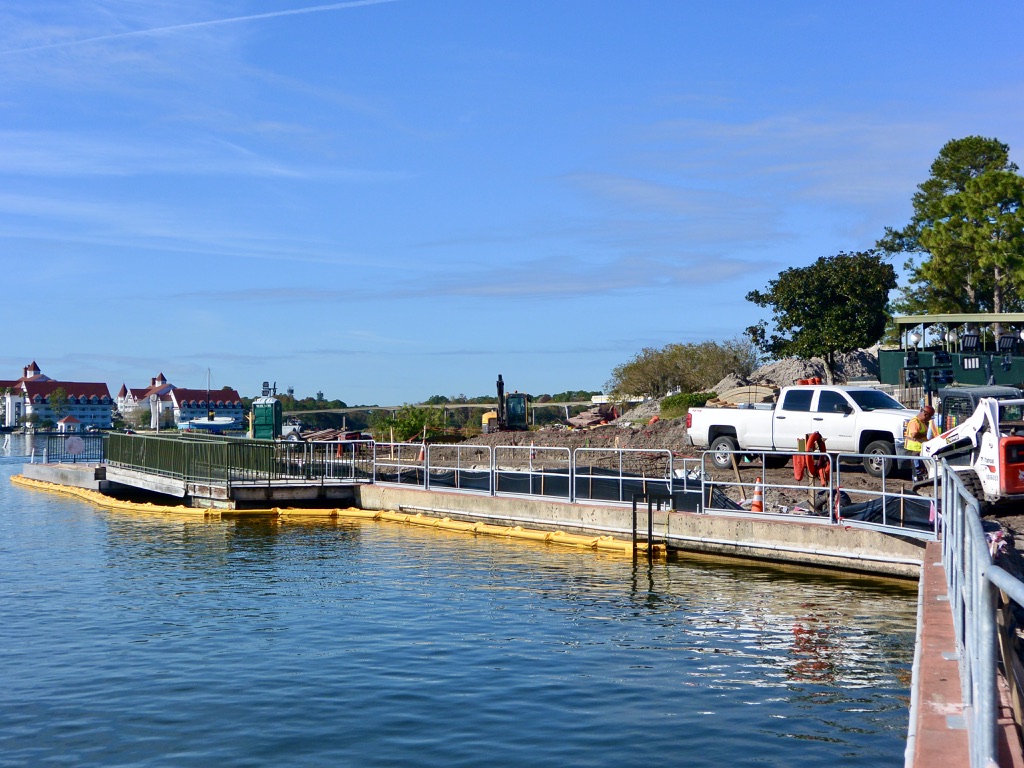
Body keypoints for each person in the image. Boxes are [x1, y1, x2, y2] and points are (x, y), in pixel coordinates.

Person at [905, 405, 935, 479]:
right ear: (925, 414)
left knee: (920, 468)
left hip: (919, 449)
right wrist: (925, 435)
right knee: (917, 469)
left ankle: (919, 479)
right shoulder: (915, 421)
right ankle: (916, 482)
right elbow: (914, 434)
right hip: (914, 449)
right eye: (929, 417)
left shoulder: (922, 422)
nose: (929, 419)